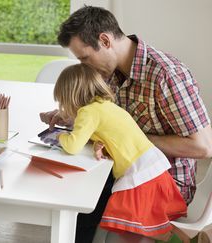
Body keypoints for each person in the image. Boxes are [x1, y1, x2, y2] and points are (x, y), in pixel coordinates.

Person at [40, 5, 212, 242]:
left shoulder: (166, 75)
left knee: (81, 197)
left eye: (85, 58)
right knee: (73, 188)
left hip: (161, 181)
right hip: (124, 168)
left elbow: (203, 146)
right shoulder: (108, 72)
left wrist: (130, 139)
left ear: (105, 40)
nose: (84, 66)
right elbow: (107, 117)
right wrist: (73, 116)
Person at [54, 63, 187, 241]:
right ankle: (189, 239)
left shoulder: (87, 112)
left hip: (139, 175)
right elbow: (113, 134)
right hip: (152, 165)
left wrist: (60, 136)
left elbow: (72, 146)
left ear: (70, 96)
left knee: (128, 230)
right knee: (152, 225)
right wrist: (99, 143)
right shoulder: (106, 105)